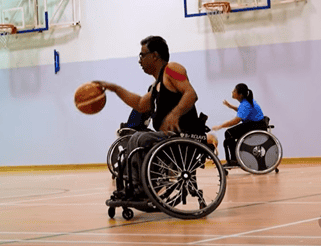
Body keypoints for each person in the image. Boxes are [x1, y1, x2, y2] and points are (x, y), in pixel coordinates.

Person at [96, 36, 217, 195]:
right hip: (170, 137)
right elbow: (140, 104)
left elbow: (191, 94)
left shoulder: (172, 69)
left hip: (185, 135)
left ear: (154, 55)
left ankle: (141, 188)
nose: (139, 60)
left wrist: (174, 114)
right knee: (135, 137)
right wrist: (115, 89)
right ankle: (136, 186)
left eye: (142, 55)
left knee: (141, 138)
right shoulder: (156, 85)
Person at [212, 83, 267, 167]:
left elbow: (236, 121)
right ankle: (234, 159)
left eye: (234, 91)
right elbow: (242, 110)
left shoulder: (245, 104)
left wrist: (220, 126)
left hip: (255, 126)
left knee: (229, 133)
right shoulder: (247, 101)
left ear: (240, 95)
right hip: (257, 124)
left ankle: (234, 160)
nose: (232, 92)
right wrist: (231, 106)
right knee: (230, 134)